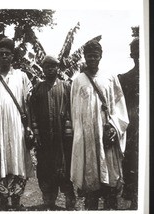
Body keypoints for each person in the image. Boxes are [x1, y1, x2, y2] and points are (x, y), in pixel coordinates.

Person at [70, 40, 129, 210]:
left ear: (100, 56)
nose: (92, 59)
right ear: (85, 57)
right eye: (89, 56)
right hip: (87, 138)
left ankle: (110, 208)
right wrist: (79, 135)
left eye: (95, 56)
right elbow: (74, 111)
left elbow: (120, 106)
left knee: (110, 178)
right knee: (91, 180)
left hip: (108, 136)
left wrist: (114, 128)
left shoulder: (110, 78)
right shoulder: (78, 81)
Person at [0, 37, 35, 210]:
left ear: (13, 57)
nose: (4, 56)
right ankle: (3, 202)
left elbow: (29, 103)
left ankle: (17, 203)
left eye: (7, 54)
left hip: (17, 128)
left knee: (18, 161)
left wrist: (28, 128)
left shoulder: (22, 76)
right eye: (0, 54)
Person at [30, 55, 75, 210]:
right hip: (44, 138)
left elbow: (71, 110)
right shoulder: (37, 88)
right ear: (42, 69)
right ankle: (49, 199)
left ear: (58, 68)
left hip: (63, 139)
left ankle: (70, 197)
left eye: (53, 66)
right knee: (45, 167)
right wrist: (36, 133)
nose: (50, 69)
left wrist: (69, 132)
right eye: (47, 67)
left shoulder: (66, 87)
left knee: (65, 167)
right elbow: (33, 112)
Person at [118, 38, 139, 209]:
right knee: (132, 167)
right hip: (132, 132)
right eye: (136, 52)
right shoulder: (124, 79)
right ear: (131, 54)